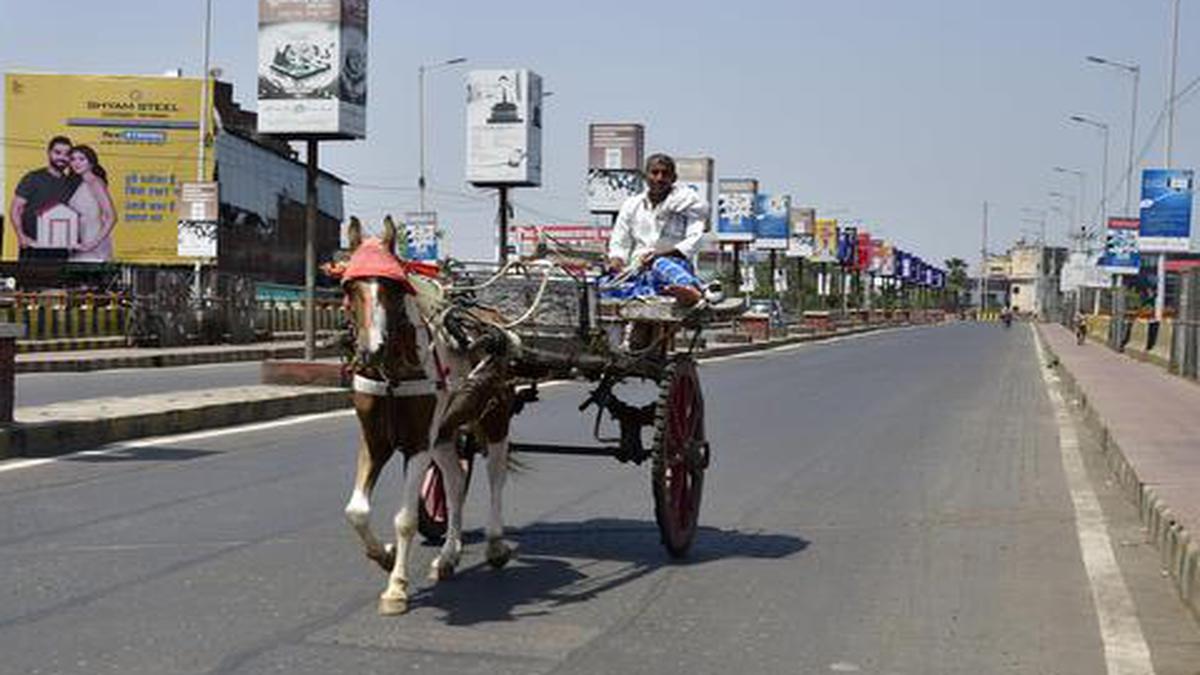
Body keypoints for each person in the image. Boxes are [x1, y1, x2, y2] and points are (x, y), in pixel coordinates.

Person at [602, 153, 712, 306]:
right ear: (645, 176)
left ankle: (692, 289)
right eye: (654, 173)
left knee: (659, 263)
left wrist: (658, 255)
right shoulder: (631, 205)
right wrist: (616, 261)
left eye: (665, 174)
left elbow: (695, 240)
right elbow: (619, 242)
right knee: (603, 285)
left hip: (673, 267)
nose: (659, 178)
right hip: (639, 269)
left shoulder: (687, 203)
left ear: (673, 178)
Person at [8, 136, 80, 255]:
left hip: (61, 249)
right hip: (33, 246)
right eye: (57, 153)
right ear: (49, 153)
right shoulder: (33, 178)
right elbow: (16, 208)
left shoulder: (71, 183)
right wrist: (21, 236)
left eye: (67, 154)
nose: (62, 157)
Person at [65, 145, 116, 263]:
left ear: (91, 162)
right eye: (73, 159)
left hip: (93, 238)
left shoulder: (95, 182)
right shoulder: (80, 183)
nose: (76, 163)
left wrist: (92, 244)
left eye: (81, 159)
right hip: (79, 241)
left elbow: (112, 216)